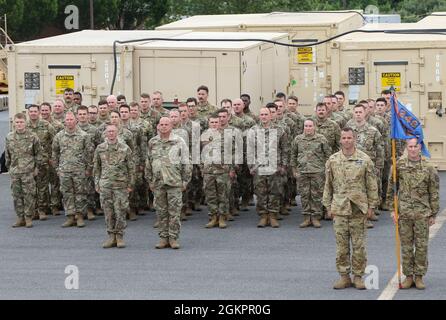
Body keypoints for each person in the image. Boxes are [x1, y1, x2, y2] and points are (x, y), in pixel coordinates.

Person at [323, 127, 379, 290]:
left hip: (358, 209)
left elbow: (371, 184)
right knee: (341, 247)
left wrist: (372, 206)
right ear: (340, 140)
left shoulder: (364, 159)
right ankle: (344, 276)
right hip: (339, 208)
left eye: (349, 138)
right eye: (344, 138)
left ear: (355, 139)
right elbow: (328, 184)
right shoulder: (333, 160)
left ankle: (359, 276)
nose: (346, 140)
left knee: (359, 245)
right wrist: (327, 205)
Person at [386, 138, 439, 290]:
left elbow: (433, 191)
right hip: (404, 212)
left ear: (420, 147)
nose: (413, 149)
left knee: (422, 246)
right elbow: (392, 188)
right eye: (410, 146)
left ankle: (419, 276)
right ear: (406, 147)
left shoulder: (428, 166)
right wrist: (392, 210)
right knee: (407, 246)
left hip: (422, 213)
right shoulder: (399, 166)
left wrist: (433, 213)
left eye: (416, 146)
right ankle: (409, 276)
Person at [145, 117, 192, 249]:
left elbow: (186, 162)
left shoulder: (178, 141)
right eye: (161, 124)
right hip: (158, 182)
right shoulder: (153, 142)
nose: (164, 126)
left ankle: (173, 238)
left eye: (166, 124)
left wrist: (185, 181)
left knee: (174, 212)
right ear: (158, 126)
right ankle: (163, 237)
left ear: (171, 126)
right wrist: (149, 180)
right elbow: (148, 161)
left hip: (174, 182)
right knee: (161, 211)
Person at [94, 124, 135, 249]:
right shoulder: (100, 148)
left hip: (121, 185)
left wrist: (130, 184)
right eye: (109, 131)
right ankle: (111, 236)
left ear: (117, 133)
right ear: (105, 133)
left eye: (113, 131)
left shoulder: (124, 148)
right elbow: (96, 168)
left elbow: (131, 168)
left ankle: (119, 236)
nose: (111, 133)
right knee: (108, 211)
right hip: (105, 184)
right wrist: (97, 183)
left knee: (120, 211)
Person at [248, 105, 288, 228]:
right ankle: (263, 216)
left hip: (274, 166)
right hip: (259, 167)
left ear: (271, 115)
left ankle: (273, 215)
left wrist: (284, 165)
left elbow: (285, 149)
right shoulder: (253, 130)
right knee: (260, 192)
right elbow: (250, 149)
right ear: (259, 116)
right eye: (262, 115)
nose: (264, 117)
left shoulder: (280, 129)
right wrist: (251, 166)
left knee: (274, 191)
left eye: (266, 114)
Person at [52, 112, 94, 228]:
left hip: (79, 170)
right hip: (64, 170)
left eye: (71, 119)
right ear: (64, 121)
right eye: (67, 120)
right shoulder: (59, 136)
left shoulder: (84, 136)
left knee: (80, 193)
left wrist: (88, 168)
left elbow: (90, 153)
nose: (69, 122)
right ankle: (70, 216)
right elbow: (55, 153)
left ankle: (80, 216)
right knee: (67, 194)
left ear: (76, 121)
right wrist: (57, 169)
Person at [291, 119, 331, 228]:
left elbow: (328, 154)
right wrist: (294, 170)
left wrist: (326, 169)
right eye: (306, 126)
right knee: (304, 195)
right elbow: (293, 155)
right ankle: (306, 217)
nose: (308, 128)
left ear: (314, 127)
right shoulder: (298, 139)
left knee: (316, 195)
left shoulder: (321, 139)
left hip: (317, 171)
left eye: (310, 126)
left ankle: (315, 217)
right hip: (302, 171)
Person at [5, 113, 41, 228]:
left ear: (25, 123)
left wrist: (36, 168)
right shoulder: (9, 137)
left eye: (21, 122)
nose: (19, 124)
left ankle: (28, 217)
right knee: (17, 195)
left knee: (29, 195)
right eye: (17, 122)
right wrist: (9, 168)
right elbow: (7, 155)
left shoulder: (32, 136)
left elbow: (38, 154)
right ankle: (20, 217)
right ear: (14, 123)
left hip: (28, 171)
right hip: (15, 171)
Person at [201, 114, 236, 229]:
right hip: (208, 171)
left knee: (223, 195)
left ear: (220, 122)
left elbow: (233, 153)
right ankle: (213, 217)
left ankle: (222, 217)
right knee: (210, 195)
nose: (214, 124)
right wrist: (202, 168)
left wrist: (232, 169)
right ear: (208, 123)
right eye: (212, 122)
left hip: (223, 171)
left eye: (216, 122)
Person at [27, 104, 56, 220]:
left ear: (38, 112)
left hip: (43, 161)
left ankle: (42, 210)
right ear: (28, 113)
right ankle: (33, 210)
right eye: (31, 111)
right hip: (28, 162)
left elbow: (55, 141)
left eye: (35, 111)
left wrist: (51, 157)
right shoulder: (25, 126)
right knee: (30, 187)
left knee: (42, 187)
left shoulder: (46, 125)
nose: (33, 113)